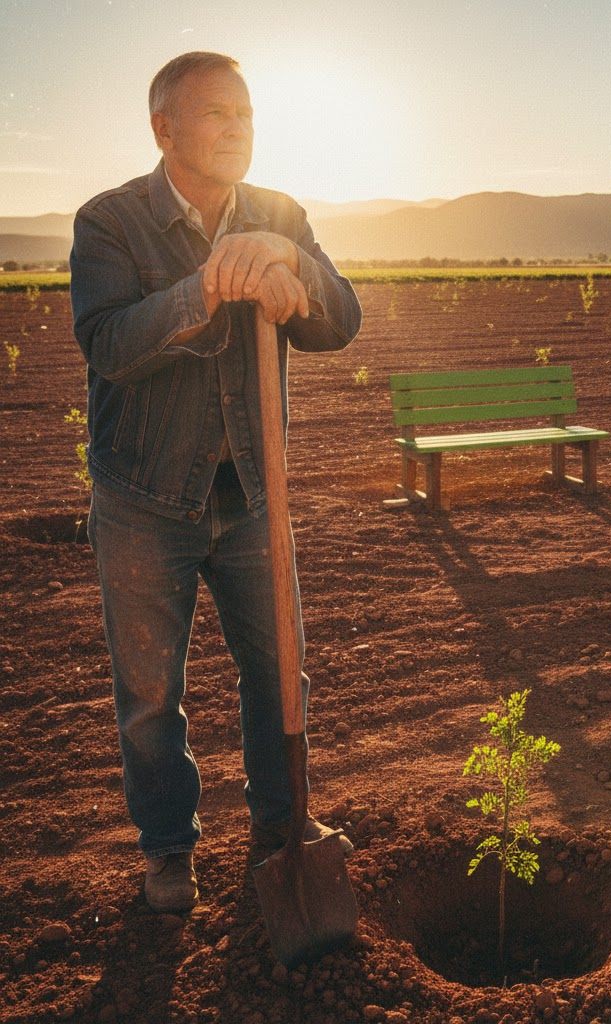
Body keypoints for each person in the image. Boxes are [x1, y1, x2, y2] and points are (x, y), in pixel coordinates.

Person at [69, 51, 362, 913]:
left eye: (246, 113)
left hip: (253, 498)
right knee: (150, 696)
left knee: (279, 674)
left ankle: (283, 826)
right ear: (164, 129)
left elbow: (341, 322)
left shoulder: (280, 213)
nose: (238, 129)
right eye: (216, 114)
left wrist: (291, 263)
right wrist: (204, 291)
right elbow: (109, 346)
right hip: (144, 501)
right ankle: (168, 848)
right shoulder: (110, 221)